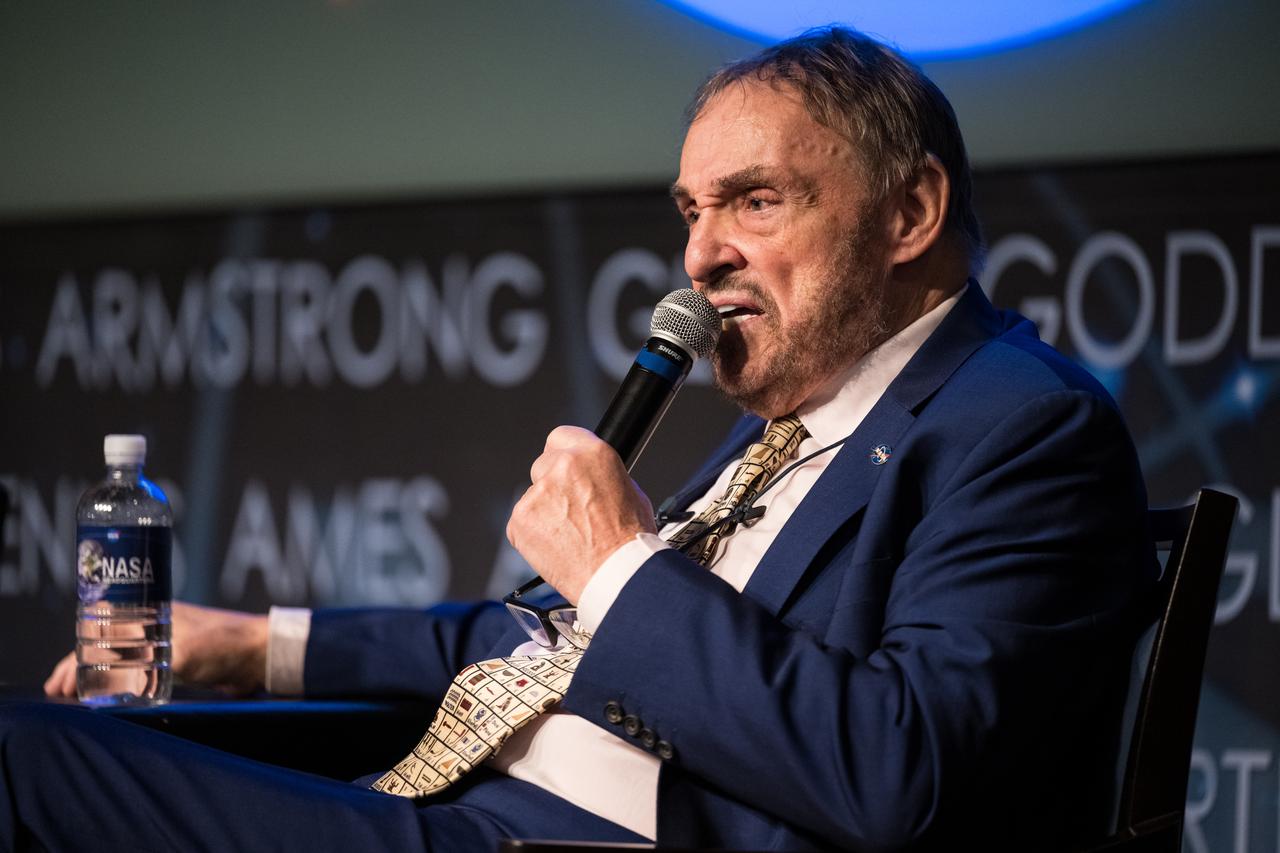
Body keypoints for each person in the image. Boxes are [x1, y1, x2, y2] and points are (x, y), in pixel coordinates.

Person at [14, 25, 1154, 852]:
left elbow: (900, 772)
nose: (701, 255)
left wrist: (619, 562)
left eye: (754, 202)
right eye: (690, 212)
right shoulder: (789, 428)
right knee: (32, 732)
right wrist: (258, 644)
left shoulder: (1019, 422)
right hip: (460, 800)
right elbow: (535, 641)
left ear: (907, 216)